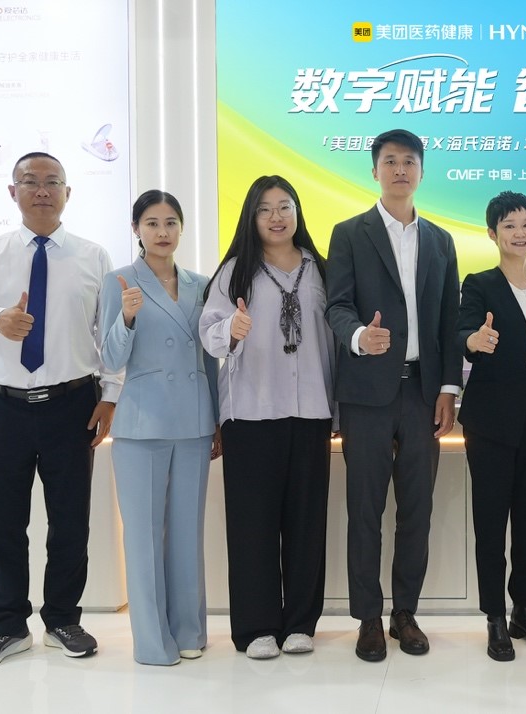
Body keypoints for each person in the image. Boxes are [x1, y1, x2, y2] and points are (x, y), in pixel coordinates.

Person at [0, 151, 120, 670]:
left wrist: (111, 394)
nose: (42, 190)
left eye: (53, 182)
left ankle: (63, 619)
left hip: (73, 403)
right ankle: (6, 627)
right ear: (13, 192)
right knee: (3, 522)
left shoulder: (93, 256)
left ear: (68, 193)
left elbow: (108, 332)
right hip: (1, 406)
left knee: (70, 521)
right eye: (30, 181)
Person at [325, 129, 462, 662]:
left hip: (423, 392)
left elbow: (449, 321)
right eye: (390, 161)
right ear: (374, 170)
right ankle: (368, 618)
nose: (400, 169)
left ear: (421, 171)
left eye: (409, 161)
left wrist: (448, 388)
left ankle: (405, 613)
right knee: (365, 509)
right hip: (366, 392)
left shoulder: (441, 241)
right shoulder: (348, 233)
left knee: (417, 511)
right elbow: (336, 305)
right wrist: (360, 336)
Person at [200, 176, 335, 659]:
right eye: (265, 209)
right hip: (251, 413)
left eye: (285, 206)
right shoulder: (235, 271)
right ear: (251, 217)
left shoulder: (321, 269)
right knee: (252, 525)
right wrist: (231, 329)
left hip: (311, 410)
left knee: (306, 523)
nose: (276, 217)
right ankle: (256, 628)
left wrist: (338, 409)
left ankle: (300, 623)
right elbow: (208, 333)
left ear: (298, 212)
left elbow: (335, 339)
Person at [100, 190, 219, 666]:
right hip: (140, 423)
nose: (162, 232)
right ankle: (152, 642)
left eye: (171, 222)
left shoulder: (201, 284)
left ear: (182, 228)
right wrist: (127, 317)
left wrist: (217, 418)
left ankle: (189, 631)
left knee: (188, 532)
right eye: (152, 223)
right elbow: (110, 358)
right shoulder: (119, 281)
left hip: (194, 420)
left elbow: (210, 357)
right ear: (137, 229)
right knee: (144, 537)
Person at [457, 191, 526, 662]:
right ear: (492, 234)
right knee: (491, 523)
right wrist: (473, 341)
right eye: (509, 225)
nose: (520, 233)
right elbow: (462, 331)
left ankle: (525, 610)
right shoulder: (479, 284)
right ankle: (495, 618)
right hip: (491, 424)